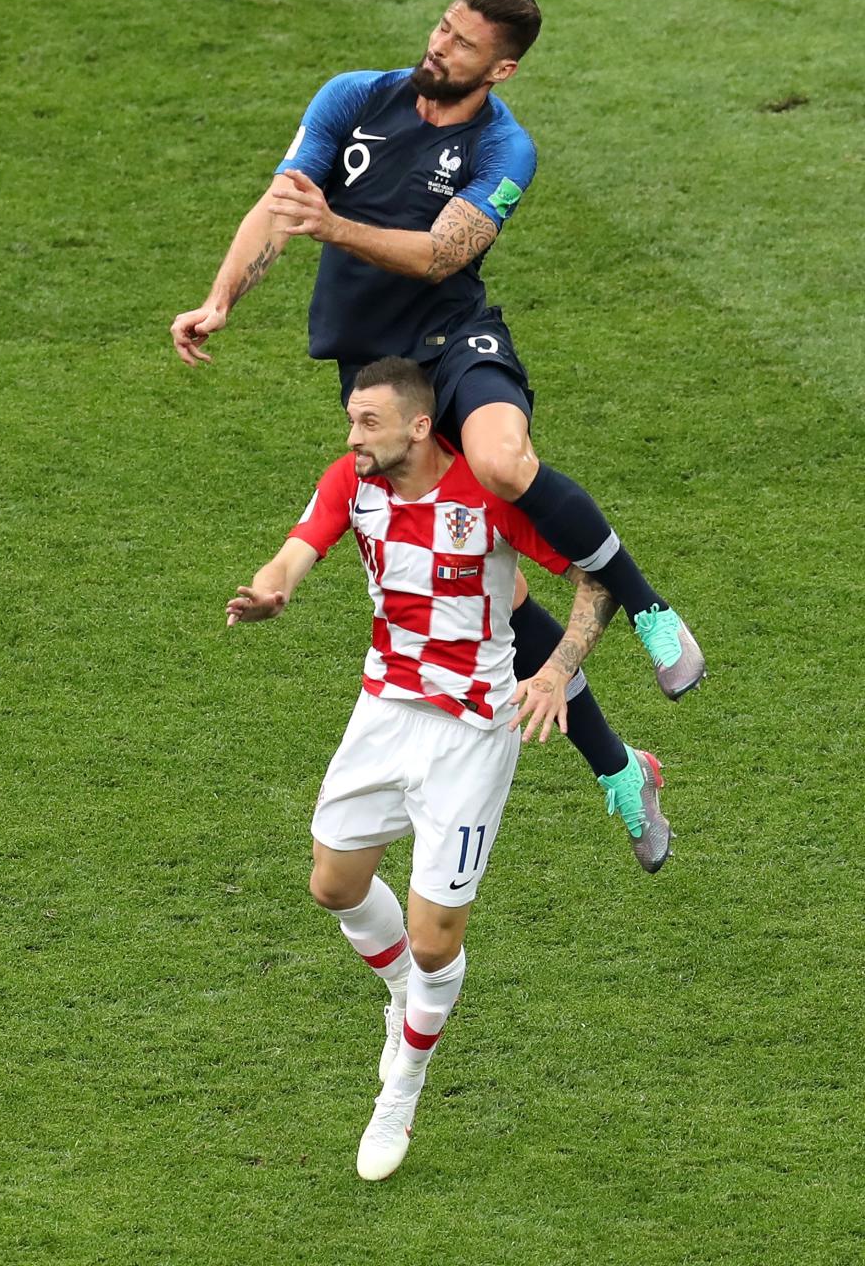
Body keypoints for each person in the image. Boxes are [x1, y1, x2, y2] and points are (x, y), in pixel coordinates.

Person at [172, 0, 705, 705]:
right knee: (495, 591)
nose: (441, 45)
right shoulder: (354, 96)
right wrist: (220, 298)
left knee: (501, 462)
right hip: (376, 369)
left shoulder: (505, 149)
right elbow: (279, 206)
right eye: (444, 27)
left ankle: (649, 608)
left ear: (501, 69)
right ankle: (619, 768)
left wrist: (332, 226)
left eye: (464, 44)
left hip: (454, 340)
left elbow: (440, 255)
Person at [226, 357, 670, 1181]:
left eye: (368, 423)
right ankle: (400, 1002)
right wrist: (271, 588)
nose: (351, 436)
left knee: (435, 943)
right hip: (385, 713)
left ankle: (405, 1085)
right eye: (351, 421)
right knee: (332, 885)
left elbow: (592, 580)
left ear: (420, 428)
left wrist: (555, 668)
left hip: (471, 733)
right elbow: (299, 547)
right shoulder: (350, 482)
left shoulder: (488, 498)